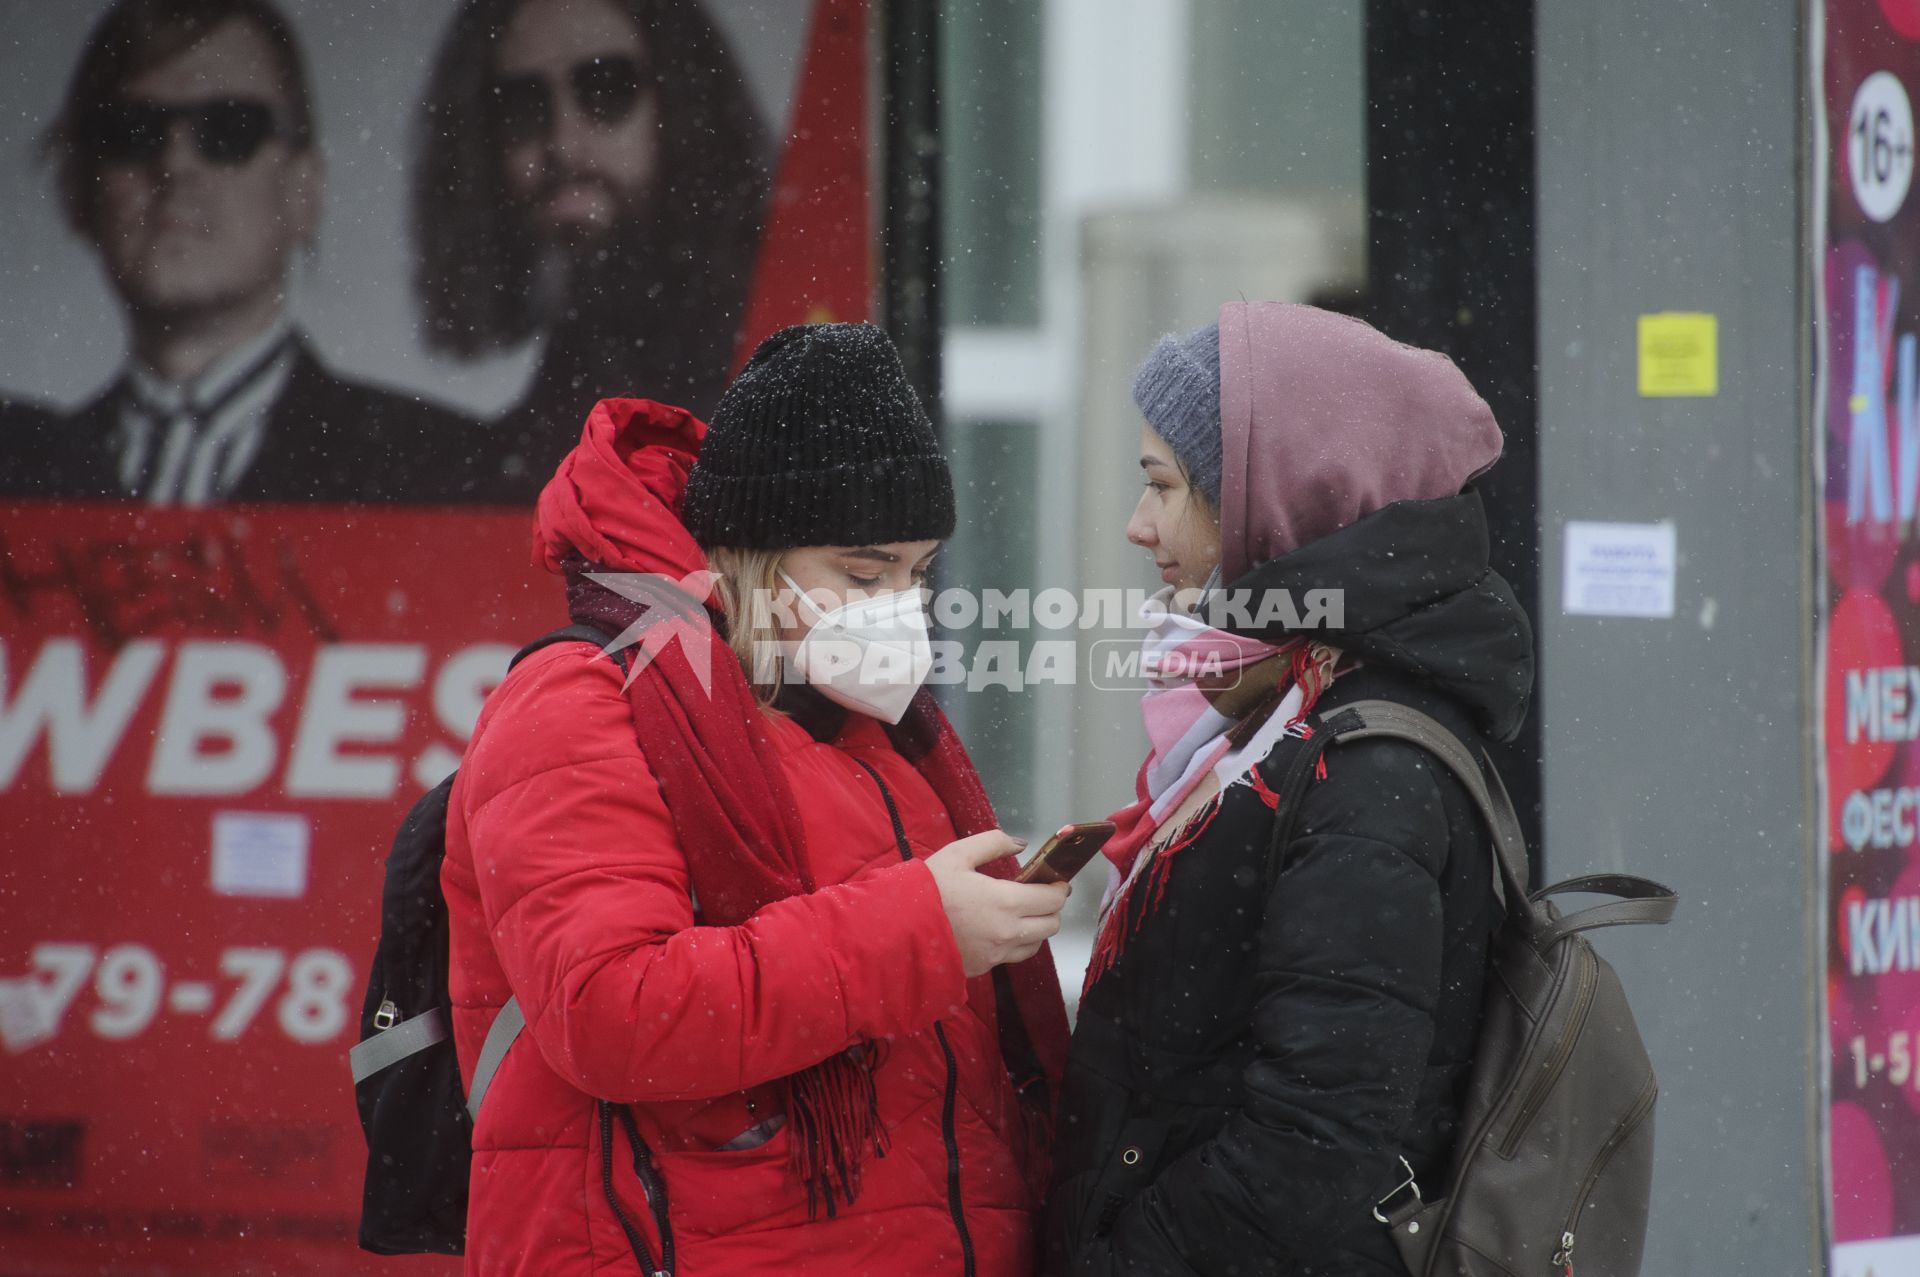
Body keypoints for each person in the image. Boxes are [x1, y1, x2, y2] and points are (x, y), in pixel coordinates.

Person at [444, 322, 1073, 1274]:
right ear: (746, 558)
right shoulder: (582, 702)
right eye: (865, 574)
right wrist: (921, 933)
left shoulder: (878, 735)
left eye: (916, 573)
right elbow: (611, 1011)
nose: (899, 606)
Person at [1043, 302, 1535, 1274]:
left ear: (1277, 502)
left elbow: (1309, 1153)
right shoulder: (1284, 716)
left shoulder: (1364, 770)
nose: (1137, 526)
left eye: (1163, 486)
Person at [9, 0, 479, 506]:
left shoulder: (442, 466)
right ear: (81, 190)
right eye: (134, 132)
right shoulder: (18, 471)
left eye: (229, 130)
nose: (175, 165)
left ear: (304, 192)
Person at [414, 0, 771, 499]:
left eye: (607, 90)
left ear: (682, 106)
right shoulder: (489, 460)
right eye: (523, 106)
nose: (564, 143)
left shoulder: (777, 383)